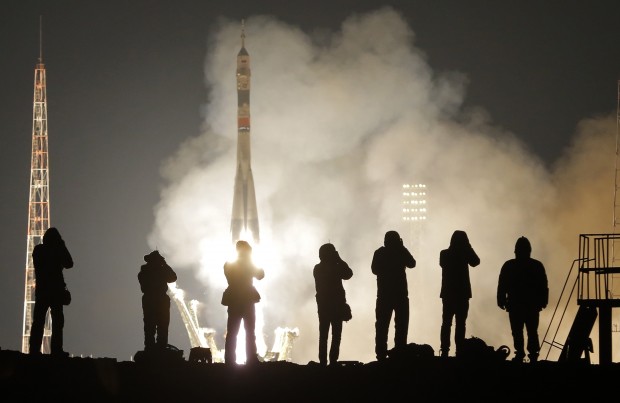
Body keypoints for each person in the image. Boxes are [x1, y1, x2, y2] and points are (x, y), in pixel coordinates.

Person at [497, 236, 548, 363]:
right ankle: (533, 354)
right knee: (531, 330)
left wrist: (501, 299)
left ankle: (520, 353)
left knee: (517, 331)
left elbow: (502, 284)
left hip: (515, 305)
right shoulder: (536, 265)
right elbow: (543, 285)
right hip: (531, 305)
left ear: (516, 251)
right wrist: (543, 301)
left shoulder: (509, 265)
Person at [29, 227, 74, 356]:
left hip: (43, 291)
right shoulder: (56, 250)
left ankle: (34, 350)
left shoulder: (38, 250)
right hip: (55, 291)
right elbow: (69, 263)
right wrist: (62, 246)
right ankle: (56, 350)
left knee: (39, 321)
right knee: (57, 321)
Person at [371, 230, 416, 361]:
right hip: (400, 295)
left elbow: (374, 270)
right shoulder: (400, 251)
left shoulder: (379, 253)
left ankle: (381, 355)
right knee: (401, 326)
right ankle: (399, 353)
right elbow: (412, 263)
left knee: (381, 327)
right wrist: (401, 248)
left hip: (384, 295)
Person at [438, 230, 480, 358]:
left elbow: (443, 264)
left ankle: (444, 350)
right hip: (462, 294)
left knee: (446, 323)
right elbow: (476, 261)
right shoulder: (465, 253)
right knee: (460, 324)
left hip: (448, 294)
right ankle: (459, 351)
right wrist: (468, 247)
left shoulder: (444, 253)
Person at [222, 240, 265, 365]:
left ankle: (229, 360)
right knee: (250, 331)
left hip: (234, 300)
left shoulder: (229, 265)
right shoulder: (248, 265)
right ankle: (251, 358)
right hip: (247, 300)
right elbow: (261, 275)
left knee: (232, 332)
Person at [313, 243, 353, 366]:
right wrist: (339, 260)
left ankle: (324, 363)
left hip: (325, 306)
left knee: (324, 335)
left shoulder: (318, 268)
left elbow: (348, 274)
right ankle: (331, 362)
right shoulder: (332, 267)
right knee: (335, 335)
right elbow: (348, 274)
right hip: (335, 306)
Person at [138, 250, 177, 351]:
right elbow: (172, 277)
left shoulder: (148, 271)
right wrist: (164, 265)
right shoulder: (146, 271)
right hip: (153, 299)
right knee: (152, 326)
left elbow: (173, 278)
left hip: (156, 299)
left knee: (161, 326)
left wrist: (164, 266)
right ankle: (152, 348)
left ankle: (159, 348)